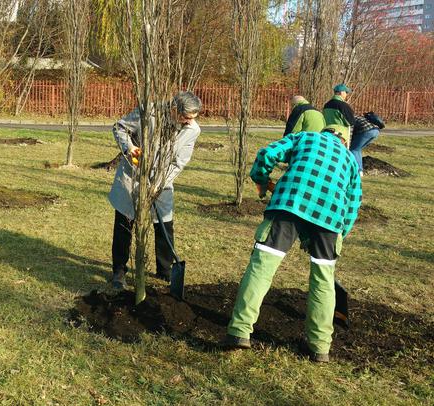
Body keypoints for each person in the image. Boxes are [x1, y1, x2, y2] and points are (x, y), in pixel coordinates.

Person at [222, 124, 362, 363]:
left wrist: (261, 178)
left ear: (324, 132)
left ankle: (239, 332)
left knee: (262, 266)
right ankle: (320, 348)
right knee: (323, 279)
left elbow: (268, 153)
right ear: (345, 142)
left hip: (289, 203)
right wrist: (337, 236)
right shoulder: (350, 160)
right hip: (330, 218)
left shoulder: (305, 137)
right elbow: (352, 204)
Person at [109, 91, 202, 289]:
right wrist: (130, 147)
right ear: (173, 109)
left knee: (164, 226)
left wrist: (159, 183)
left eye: (192, 119)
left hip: (162, 181)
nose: (188, 122)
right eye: (186, 118)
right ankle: (119, 271)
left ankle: (165, 270)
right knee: (125, 223)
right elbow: (120, 127)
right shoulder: (148, 112)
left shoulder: (192, 129)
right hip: (132, 177)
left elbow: (179, 162)